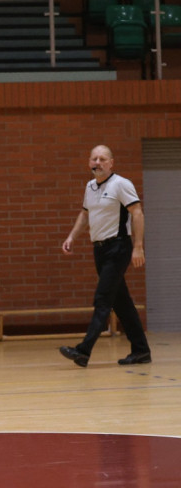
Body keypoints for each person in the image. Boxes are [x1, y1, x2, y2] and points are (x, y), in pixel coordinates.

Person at [59, 145, 151, 368]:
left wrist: (138, 246)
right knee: (122, 303)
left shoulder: (121, 184)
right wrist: (72, 236)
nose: (97, 163)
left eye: (102, 159)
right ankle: (141, 351)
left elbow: (137, 213)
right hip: (99, 250)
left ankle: (83, 351)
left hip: (118, 248)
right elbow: (85, 214)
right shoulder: (90, 187)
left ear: (111, 163)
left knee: (103, 299)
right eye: (94, 159)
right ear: (89, 162)